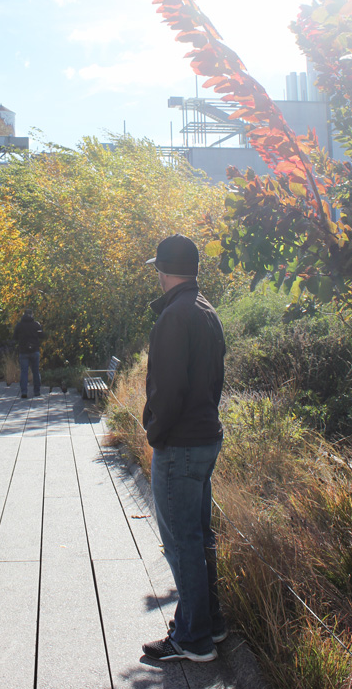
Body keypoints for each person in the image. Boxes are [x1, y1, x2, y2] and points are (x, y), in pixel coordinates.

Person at [141, 234, 227, 664]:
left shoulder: (175, 316)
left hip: (180, 444)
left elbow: (168, 389)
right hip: (205, 437)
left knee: (181, 543)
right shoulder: (205, 310)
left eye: (157, 267)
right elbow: (214, 382)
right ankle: (209, 621)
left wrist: (155, 431)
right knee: (200, 538)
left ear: (164, 270)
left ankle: (193, 638)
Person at [13, 309, 44, 398]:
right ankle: (37, 391)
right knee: (35, 371)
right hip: (34, 350)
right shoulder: (36, 325)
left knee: (24, 372)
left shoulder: (19, 325)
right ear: (32, 315)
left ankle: (24, 392)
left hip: (23, 351)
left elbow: (14, 337)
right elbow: (42, 336)